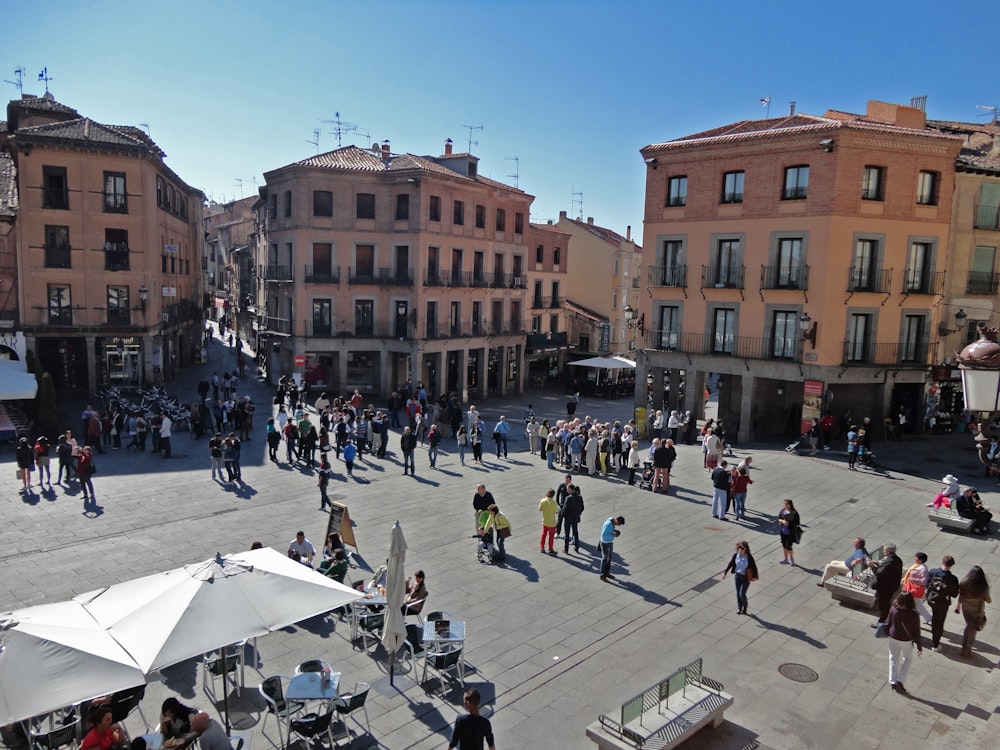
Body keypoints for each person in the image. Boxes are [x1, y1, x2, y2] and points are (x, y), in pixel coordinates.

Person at [887, 592, 922, 694]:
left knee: (893, 658)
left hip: (893, 636)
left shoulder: (893, 609)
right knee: (907, 659)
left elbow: (889, 623)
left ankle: (892, 681)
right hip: (906, 640)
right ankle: (900, 680)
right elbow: (916, 632)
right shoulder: (914, 615)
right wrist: (919, 646)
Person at [955, 565, 992, 658]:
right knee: (973, 630)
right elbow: (988, 599)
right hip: (978, 610)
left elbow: (961, 595)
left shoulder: (964, 582)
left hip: (966, 609)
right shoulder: (983, 586)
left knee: (969, 626)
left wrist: (958, 606)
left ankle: (964, 647)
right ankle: (967, 650)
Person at [926, 555, 960, 651]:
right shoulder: (953, 578)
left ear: (942, 562)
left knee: (934, 617)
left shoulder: (933, 572)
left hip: (931, 599)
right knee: (939, 622)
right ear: (951, 565)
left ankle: (934, 631)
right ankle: (935, 644)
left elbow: (926, 584)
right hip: (943, 603)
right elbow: (954, 594)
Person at [723, 540, 759, 615]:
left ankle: (745, 606)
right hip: (738, 576)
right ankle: (740, 608)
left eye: (742, 548)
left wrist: (754, 576)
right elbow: (731, 563)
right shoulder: (736, 555)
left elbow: (754, 567)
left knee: (742, 594)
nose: (740, 549)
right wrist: (725, 573)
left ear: (745, 549)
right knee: (738, 593)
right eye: (738, 547)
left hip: (745, 577)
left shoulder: (749, 557)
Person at [872, 543, 904, 628]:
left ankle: (882, 622)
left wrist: (872, 566)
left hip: (886, 587)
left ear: (888, 551)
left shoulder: (890, 562)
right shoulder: (897, 559)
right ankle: (885, 619)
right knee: (884, 602)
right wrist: (879, 563)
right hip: (892, 586)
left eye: (884, 550)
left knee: (884, 604)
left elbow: (879, 573)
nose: (883, 551)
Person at [902, 552, 932, 625]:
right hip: (910, 588)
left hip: (914, 590)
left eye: (916, 557)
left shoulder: (923, 569)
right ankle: (929, 618)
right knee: (917, 605)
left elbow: (924, 581)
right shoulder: (916, 565)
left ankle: (928, 618)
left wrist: (912, 579)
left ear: (921, 560)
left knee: (916, 605)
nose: (914, 558)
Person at [599, 516, 625, 582]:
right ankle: (602, 575)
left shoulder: (612, 523)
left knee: (609, 558)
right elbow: (603, 535)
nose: (618, 525)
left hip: (609, 542)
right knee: (605, 559)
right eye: (618, 524)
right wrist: (613, 535)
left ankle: (607, 573)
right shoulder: (608, 524)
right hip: (605, 543)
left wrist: (614, 532)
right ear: (616, 520)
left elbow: (609, 532)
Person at [561, 484, 584, 554]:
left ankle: (566, 549)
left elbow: (565, 509)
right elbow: (582, 507)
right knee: (575, 532)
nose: (567, 490)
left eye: (568, 489)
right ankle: (576, 547)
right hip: (575, 517)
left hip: (568, 518)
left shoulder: (568, 498)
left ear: (571, 489)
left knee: (567, 533)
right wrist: (578, 513)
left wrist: (563, 515)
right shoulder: (579, 497)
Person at [777, 498, 800, 565]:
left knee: (789, 546)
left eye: (787, 504)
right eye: (784, 504)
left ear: (790, 505)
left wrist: (789, 523)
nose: (785, 505)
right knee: (784, 546)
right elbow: (778, 518)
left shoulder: (794, 513)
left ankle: (791, 558)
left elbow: (797, 523)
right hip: (783, 532)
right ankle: (785, 558)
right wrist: (782, 521)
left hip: (790, 533)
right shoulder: (782, 511)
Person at [539, 488, 558, 554]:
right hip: (552, 522)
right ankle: (550, 549)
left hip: (545, 521)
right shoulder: (554, 503)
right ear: (553, 495)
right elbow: (556, 512)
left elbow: (540, 509)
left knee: (543, 535)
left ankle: (542, 547)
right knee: (551, 536)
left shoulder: (542, 500)